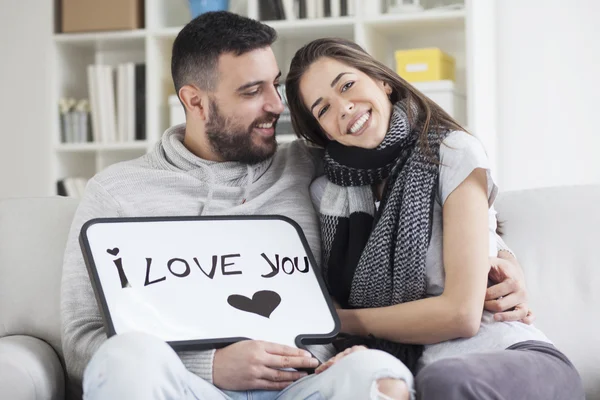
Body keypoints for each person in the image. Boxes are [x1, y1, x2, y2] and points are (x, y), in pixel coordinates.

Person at [61, 11, 535, 400]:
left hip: (305, 383)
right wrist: (211, 365)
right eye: (251, 92)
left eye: (274, 84)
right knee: (126, 359)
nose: (277, 105)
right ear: (195, 102)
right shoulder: (116, 192)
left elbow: (415, 176)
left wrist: (499, 259)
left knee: (378, 373)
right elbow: (82, 340)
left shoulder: (314, 166)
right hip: (188, 386)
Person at [284, 37, 585, 400]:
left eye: (347, 85)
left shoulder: (452, 153)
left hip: (507, 358)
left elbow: (461, 314)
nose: (344, 107)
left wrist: (341, 320)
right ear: (322, 131)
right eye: (323, 109)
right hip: (405, 372)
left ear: (383, 81)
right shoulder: (327, 197)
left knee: (445, 381)